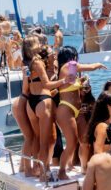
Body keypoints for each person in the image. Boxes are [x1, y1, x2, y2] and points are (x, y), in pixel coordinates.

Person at [54, 46, 106, 180]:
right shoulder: (69, 65)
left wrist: (81, 82)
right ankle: (61, 171)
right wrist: (98, 65)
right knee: (71, 144)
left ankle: (76, 167)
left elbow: (71, 85)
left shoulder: (67, 70)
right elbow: (89, 67)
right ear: (72, 57)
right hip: (66, 109)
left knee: (81, 141)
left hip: (75, 110)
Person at [23, 36, 64, 177]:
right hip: (42, 100)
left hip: (31, 103)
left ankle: (35, 169)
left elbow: (25, 89)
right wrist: (64, 80)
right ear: (34, 46)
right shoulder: (38, 62)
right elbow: (47, 85)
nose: (41, 44)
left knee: (36, 138)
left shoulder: (26, 63)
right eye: (38, 42)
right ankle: (45, 173)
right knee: (44, 141)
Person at [87, 91, 111, 156]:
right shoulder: (102, 126)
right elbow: (97, 152)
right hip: (106, 164)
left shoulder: (109, 123)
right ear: (108, 106)